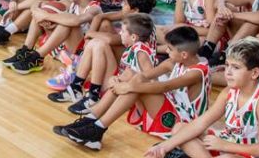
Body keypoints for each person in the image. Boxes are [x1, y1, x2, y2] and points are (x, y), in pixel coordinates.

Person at [56, 25, 210, 151]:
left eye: (170, 49)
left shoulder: (197, 72)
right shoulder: (174, 62)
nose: (166, 51)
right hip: (171, 108)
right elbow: (144, 75)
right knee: (134, 76)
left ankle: (97, 129)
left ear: (183, 54)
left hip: (182, 123)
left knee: (136, 87)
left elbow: (165, 86)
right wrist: (122, 80)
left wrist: (128, 87)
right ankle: (91, 120)